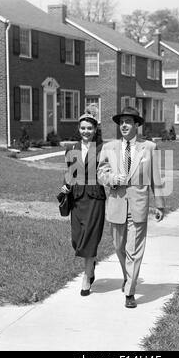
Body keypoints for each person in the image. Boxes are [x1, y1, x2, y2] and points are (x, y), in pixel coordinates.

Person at [98, 106, 166, 309]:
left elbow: (156, 178)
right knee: (119, 246)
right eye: (122, 122)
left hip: (138, 205)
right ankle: (127, 277)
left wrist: (160, 204)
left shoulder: (150, 148)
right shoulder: (109, 148)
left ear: (137, 124)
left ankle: (130, 291)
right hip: (117, 203)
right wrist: (112, 178)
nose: (124, 125)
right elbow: (101, 173)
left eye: (128, 121)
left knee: (134, 250)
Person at [62, 113, 106, 297]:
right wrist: (65, 185)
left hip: (95, 197)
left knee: (90, 237)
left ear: (95, 129)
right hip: (77, 197)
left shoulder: (103, 148)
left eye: (89, 128)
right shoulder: (72, 148)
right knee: (77, 238)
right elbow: (71, 173)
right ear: (79, 129)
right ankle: (91, 265)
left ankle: (86, 278)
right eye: (83, 128)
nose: (86, 131)